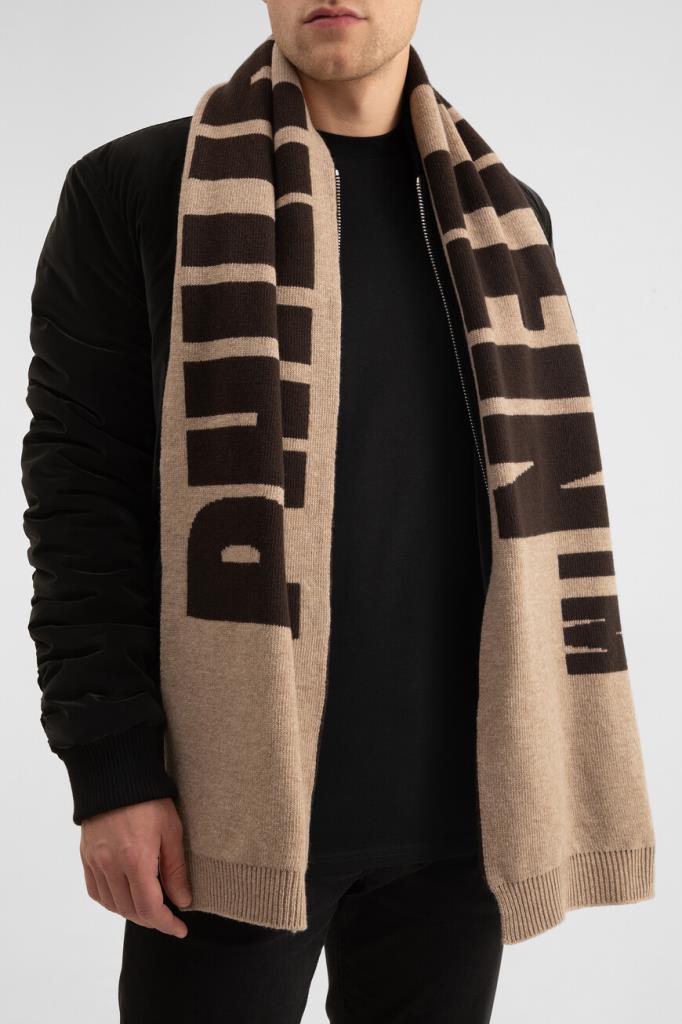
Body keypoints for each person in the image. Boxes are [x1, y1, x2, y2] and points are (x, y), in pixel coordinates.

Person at [20, 2, 655, 1022]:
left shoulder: (505, 219)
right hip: (227, 810)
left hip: (466, 818)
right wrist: (113, 773)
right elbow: (80, 494)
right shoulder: (138, 189)